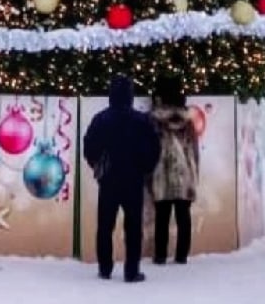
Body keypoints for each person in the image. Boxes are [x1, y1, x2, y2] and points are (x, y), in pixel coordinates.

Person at [82, 73, 160, 283]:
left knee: (105, 226)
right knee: (133, 227)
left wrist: (97, 166)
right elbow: (154, 148)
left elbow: (89, 146)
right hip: (133, 179)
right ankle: (131, 270)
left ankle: (105, 268)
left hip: (108, 180)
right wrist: (145, 169)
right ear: (130, 95)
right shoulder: (141, 120)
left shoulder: (101, 119)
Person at [150, 77, 201, 265]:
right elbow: (195, 153)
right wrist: (195, 178)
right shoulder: (187, 123)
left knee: (161, 218)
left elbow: (150, 149)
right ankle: (181, 255)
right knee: (183, 217)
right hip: (184, 176)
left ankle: (160, 255)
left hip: (160, 176)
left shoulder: (155, 121)